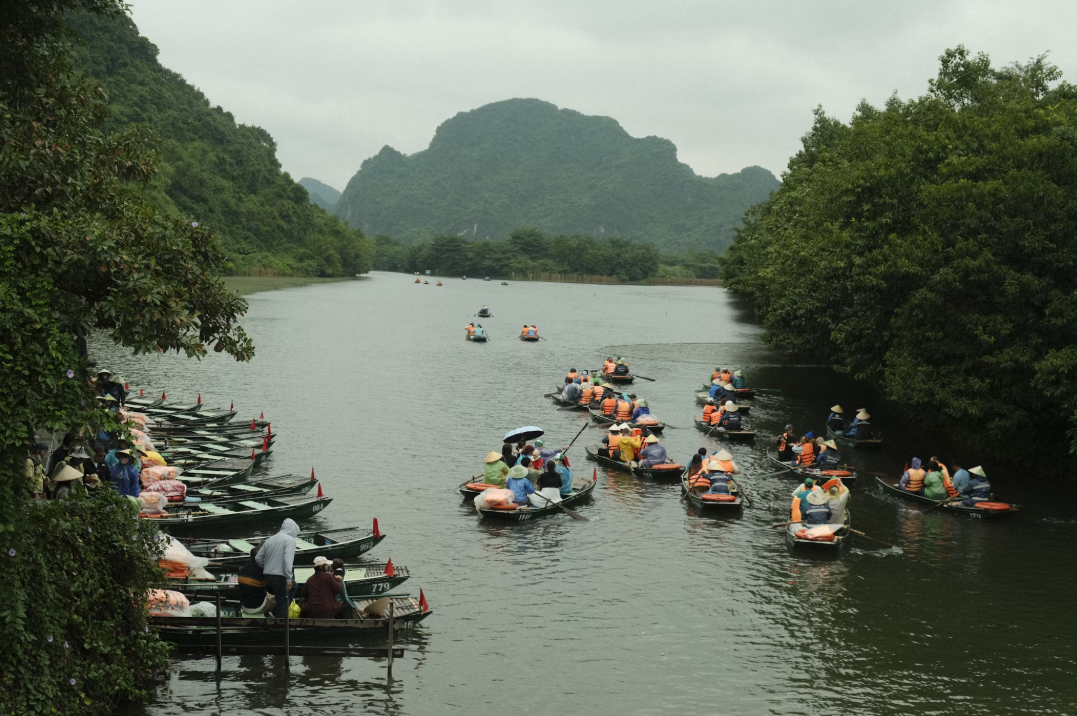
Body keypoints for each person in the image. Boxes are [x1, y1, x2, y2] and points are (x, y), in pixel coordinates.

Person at [256, 519, 300, 618]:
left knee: (293, 587)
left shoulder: (270, 539)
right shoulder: (289, 540)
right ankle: (281, 627)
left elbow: (258, 558)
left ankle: (275, 612)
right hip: (280, 577)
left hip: (267, 576)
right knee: (282, 602)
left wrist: (267, 567)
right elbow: (287, 560)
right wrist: (288, 578)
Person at [238, 547, 275, 616]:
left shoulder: (242, 569)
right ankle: (279, 619)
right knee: (281, 598)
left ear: (250, 557)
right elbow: (272, 591)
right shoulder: (262, 571)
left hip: (244, 606)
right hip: (257, 607)